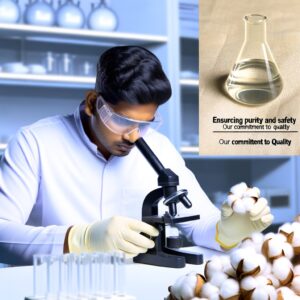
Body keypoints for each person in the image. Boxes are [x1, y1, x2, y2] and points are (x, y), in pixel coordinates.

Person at [0, 46, 273, 265]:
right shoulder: (35, 142)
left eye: (145, 123)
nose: (134, 135)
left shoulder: (160, 147)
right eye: (121, 121)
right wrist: (80, 239)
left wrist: (227, 230)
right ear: (94, 103)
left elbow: (200, 222)